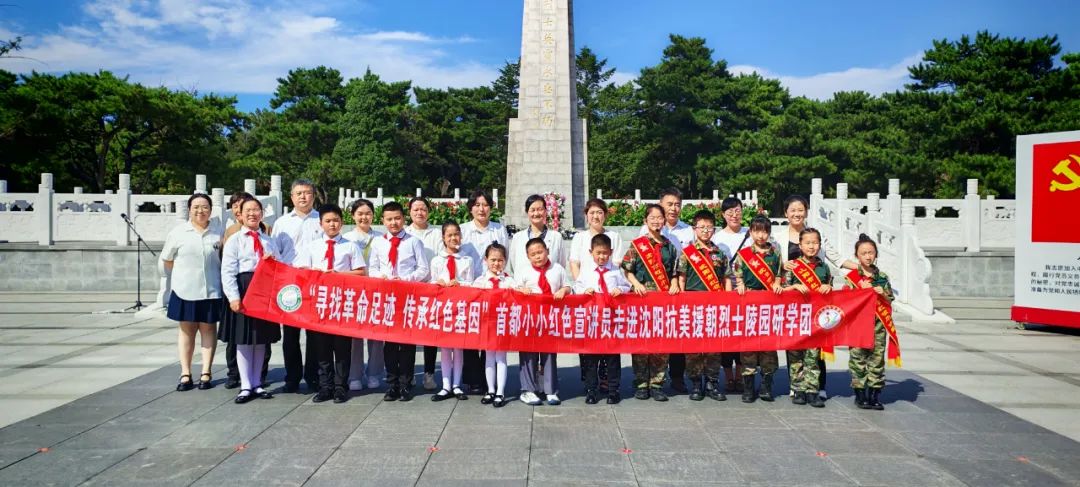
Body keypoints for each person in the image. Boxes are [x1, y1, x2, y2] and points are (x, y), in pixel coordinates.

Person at [296, 204, 367, 404]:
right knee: (322, 348)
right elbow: (302, 273)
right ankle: (325, 386)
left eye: (336, 220)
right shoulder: (312, 247)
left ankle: (340, 387)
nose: (332, 224)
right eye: (328, 221)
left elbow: (361, 272)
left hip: (342, 304)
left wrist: (338, 275)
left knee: (342, 348)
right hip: (318, 305)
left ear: (342, 223)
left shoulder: (350, 246)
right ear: (321, 224)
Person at [220, 197, 281, 403]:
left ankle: (257, 383)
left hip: (265, 290)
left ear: (262, 213)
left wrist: (272, 262)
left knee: (261, 339)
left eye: (256, 210)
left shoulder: (268, 240)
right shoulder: (234, 240)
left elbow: (279, 265)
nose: (253, 214)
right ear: (240, 214)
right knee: (244, 339)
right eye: (248, 210)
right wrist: (234, 297)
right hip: (244, 288)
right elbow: (227, 271)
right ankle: (245, 385)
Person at [368, 201, 429, 402]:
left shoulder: (413, 242)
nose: (393, 223)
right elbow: (373, 268)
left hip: (407, 298)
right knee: (390, 344)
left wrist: (406, 280)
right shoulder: (378, 242)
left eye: (397, 218)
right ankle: (392, 383)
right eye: (389, 219)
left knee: (407, 343)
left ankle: (406, 384)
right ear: (383, 221)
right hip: (387, 299)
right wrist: (383, 277)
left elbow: (423, 269)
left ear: (403, 219)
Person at [162, 194, 223, 391]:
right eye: (196, 207)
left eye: (205, 207)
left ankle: (206, 371)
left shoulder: (218, 232)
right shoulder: (178, 232)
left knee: (208, 329)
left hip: (211, 289)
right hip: (184, 290)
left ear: (210, 210)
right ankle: (185, 372)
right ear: (189, 209)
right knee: (187, 331)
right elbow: (168, 259)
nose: (200, 211)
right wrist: (183, 276)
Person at [623, 204, 682, 401]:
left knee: (660, 342)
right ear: (645, 221)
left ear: (664, 221)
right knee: (641, 341)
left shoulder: (669, 245)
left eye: (660, 218)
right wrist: (636, 283)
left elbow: (674, 271)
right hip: (641, 298)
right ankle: (641, 383)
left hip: (663, 298)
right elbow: (627, 270)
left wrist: (674, 283)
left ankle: (657, 383)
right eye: (652, 218)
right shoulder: (637, 244)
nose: (657, 221)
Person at [270, 179, 323, 393]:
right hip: (290, 283)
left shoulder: (321, 220)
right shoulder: (282, 223)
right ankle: (292, 376)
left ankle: (313, 375)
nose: (303, 197)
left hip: (315, 282)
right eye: (298, 193)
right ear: (291, 197)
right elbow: (276, 253)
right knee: (290, 333)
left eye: (307, 193)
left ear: (314, 195)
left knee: (314, 333)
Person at [675, 209, 731, 401]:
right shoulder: (687, 253)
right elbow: (681, 278)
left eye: (709, 227)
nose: (706, 231)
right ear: (694, 229)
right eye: (702, 227)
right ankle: (696, 383)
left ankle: (712, 383)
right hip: (692, 305)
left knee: (713, 347)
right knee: (693, 347)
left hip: (715, 306)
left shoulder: (719, 253)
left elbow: (726, 278)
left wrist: (728, 299)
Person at [730, 215, 783, 403]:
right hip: (750, 302)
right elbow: (737, 273)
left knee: (768, 346)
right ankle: (748, 387)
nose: (761, 235)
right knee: (749, 344)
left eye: (765, 231)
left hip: (769, 302)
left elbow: (779, 273)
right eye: (757, 231)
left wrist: (777, 283)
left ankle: (766, 386)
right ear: (751, 232)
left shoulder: (775, 253)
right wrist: (741, 284)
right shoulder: (744, 254)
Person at [573, 234, 630, 405]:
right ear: (591, 252)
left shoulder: (615, 271)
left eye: (605, 253)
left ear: (611, 252)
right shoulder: (586, 272)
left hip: (611, 322)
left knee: (612, 358)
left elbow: (627, 286)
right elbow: (577, 287)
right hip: (592, 323)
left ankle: (613, 390)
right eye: (598, 253)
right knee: (591, 359)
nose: (601, 257)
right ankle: (591, 390)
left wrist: (620, 289)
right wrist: (585, 291)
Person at [460, 190, 508, 393]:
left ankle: (493, 381)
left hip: (494, 288)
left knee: (490, 335)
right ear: (471, 208)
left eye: (485, 204)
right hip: (472, 288)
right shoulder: (463, 230)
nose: (481, 208)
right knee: (471, 334)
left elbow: (506, 257)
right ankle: (473, 379)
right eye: (477, 205)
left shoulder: (499, 229)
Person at [515, 238, 571, 406]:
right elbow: (514, 289)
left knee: (549, 355)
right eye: (533, 254)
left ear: (547, 250)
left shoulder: (557, 269)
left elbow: (569, 286)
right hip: (529, 319)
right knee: (528, 355)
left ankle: (551, 390)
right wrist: (521, 290)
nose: (538, 257)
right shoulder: (523, 271)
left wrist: (563, 290)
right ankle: (529, 390)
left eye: (540, 252)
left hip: (550, 320)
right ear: (527, 256)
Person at [781, 227, 831, 408]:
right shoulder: (793, 267)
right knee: (796, 357)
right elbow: (781, 291)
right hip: (795, 318)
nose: (811, 246)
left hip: (816, 320)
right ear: (800, 245)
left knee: (813, 357)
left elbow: (829, 289)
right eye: (807, 243)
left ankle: (812, 390)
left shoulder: (824, 267)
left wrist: (828, 287)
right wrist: (793, 288)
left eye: (815, 243)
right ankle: (798, 389)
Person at [845, 233, 895, 411]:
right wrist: (859, 290)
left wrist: (882, 293)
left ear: (876, 254)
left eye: (871, 252)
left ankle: (874, 395)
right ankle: (860, 396)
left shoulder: (882, 276)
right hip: (858, 325)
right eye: (864, 253)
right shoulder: (852, 277)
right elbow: (845, 301)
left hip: (878, 325)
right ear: (857, 256)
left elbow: (890, 299)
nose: (868, 256)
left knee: (876, 360)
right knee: (858, 360)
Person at [429, 220, 475, 402]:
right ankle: (445, 385)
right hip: (444, 310)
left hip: (461, 309)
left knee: (459, 348)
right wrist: (438, 283)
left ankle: (456, 384)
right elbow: (431, 283)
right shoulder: (437, 260)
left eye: (456, 234)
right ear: (443, 238)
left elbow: (471, 283)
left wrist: (460, 284)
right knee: (445, 348)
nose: (453, 238)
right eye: (449, 235)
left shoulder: (467, 260)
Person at [343, 199, 385, 392]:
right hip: (353, 292)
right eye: (360, 213)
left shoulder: (381, 238)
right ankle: (354, 375)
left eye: (368, 213)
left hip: (376, 292)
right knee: (355, 336)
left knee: (376, 335)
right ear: (353, 216)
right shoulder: (346, 238)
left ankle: (375, 373)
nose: (364, 217)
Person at [710, 196, 749, 394]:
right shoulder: (716, 238)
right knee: (725, 334)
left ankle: (741, 377)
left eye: (737, 210)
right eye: (729, 212)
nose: (734, 215)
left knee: (742, 335)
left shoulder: (750, 234)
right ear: (723, 215)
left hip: (746, 293)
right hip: (723, 292)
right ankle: (728, 377)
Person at [406, 197, 444, 392]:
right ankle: (409, 373)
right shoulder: (405, 233)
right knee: (410, 334)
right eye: (416, 209)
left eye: (423, 209)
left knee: (431, 335)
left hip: (431, 288)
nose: (419, 212)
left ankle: (429, 373)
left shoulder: (436, 234)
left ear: (428, 211)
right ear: (409, 212)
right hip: (410, 290)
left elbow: (441, 258)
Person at [471, 243, 513, 408]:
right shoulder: (480, 281)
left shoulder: (509, 281)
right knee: (488, 357)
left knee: (501, 358)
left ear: (505, 261)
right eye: (493, 260)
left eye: (500, 260)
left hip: (502, 325)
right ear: (485, 260)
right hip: (486, 325)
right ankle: (490, 389)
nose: (496, 264)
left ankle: (500, 391)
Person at [568, 198, 626, 279]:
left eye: (599, 213)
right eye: (592, 213)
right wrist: (581, 286)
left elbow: (616, 263)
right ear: (586, 215)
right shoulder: (579, 237)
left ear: (605, 215)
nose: (595, 216)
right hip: (586, 287)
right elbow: (574, 264)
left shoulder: (614, 237)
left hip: (608, 285)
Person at [509, 194, 566, 274]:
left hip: (550, 285)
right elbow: (513, 265)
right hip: (524, 285)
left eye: (540, 209)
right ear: (527, 212)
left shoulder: (556, 237)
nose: (536, 213)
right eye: (532, 210)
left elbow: (561, 265)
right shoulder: (517, 238)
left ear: (546, 211)